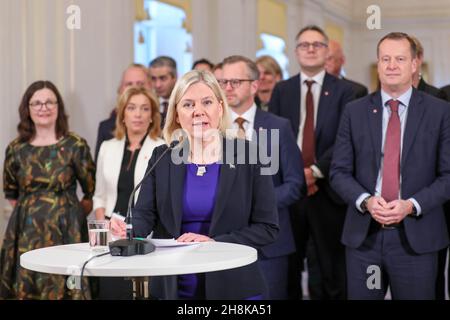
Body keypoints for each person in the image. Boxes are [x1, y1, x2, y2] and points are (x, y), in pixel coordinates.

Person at [111, 70, 279, 300]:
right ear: (177, 115)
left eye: (207, 102)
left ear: (220, 108)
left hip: (234, 285)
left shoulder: (249, 155)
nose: (198, 111)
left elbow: (267, 228)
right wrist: (127, 228)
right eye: (188, 104)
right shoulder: (163, 158)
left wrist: (215, 242)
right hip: (175, 285)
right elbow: (144, 216)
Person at [330, 32, 450, 300]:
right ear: (378, 63)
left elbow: (448, 175)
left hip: (416, 239)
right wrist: (365, 200)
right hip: (364, 237)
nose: (392, 65)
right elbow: (338, 171)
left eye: (400, 59)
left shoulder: (440, 112)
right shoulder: (355, 111)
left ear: (414, 64)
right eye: (386, 59)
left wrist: (411, 205)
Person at [269, 25, 354, 300]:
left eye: (317, 45)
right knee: (289, 266)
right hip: (290, 193)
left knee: (330, 269)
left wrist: (315, 172)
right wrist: (297, 175)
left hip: (329, 191)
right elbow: (274, 139)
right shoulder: (281, 91)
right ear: (295, 52)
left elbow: (345, 141)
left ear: (327, 51)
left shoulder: (348, 91)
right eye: (304, 45)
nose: (310, 49)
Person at [0, 80, 96, 299]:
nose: (43, 108)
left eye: (49, 102)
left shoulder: (76, 145)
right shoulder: (16, 149)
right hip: (26, 232)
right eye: (36, 103)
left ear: (59, 107)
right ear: (27, 109)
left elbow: (91, 191)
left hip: (67, 232)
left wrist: (70, 215)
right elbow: (11, 193)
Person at [221, 55, 304, 299]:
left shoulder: (277, 127)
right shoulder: (212, 130)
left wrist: (256, 205)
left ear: (254, 86)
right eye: (223, 81)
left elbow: (294, 184)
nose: (227, 88)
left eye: (235, 81)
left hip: (270, 244)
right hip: (221, 241)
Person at [93, 86, 164, 299]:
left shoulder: (163, 148)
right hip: (110, 234)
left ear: (152, 116)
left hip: (144, 235)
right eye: (132, 108)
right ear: (122, 114)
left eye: (145, 109)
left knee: (142, 293)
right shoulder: (107, 147)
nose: (138, 114)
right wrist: (103, 229)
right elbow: (99, 196)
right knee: (112, 293)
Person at [409, 35, 449, 300]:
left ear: (417, 61)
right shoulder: (374, 103)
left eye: (402, 58)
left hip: (435, 201)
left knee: (434, 276)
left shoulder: (439, 98)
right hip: (393, 204)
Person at [95, 63, 152, 160]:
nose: (134, 88)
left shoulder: (166, 126)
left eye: (140, 84)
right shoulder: (106, 128)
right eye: (129, 84)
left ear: (151, 87)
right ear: (120, 90)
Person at [149, 56, 178, 121]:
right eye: (153, 79)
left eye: (163, 78)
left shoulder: (185, 102)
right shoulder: (148, 104)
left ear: (175, 77)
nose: (157, 85)